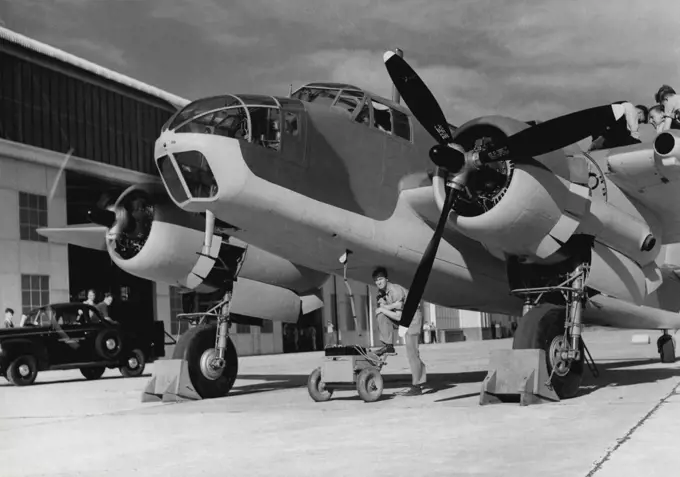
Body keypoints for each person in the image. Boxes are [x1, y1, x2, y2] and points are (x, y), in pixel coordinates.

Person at [372, 267, 427, 396]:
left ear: (386, 279)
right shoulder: (380, 294)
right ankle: (388, 345)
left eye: (380, 279)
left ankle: (417, 385)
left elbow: (399, 317)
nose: (378, 282)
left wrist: (384, 309)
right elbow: (384, 310)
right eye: (375, 280)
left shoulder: (395, 291)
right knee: (381, 315)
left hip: (412, 319)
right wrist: (388, 308)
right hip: (401, 317)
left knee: (412, 353)